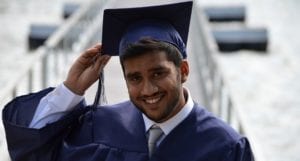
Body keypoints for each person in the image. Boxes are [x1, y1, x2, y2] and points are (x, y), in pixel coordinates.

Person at [2, 1, 254, 161]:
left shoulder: (226, 147)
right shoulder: (98, 127)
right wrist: (71, 90)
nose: (148, 89)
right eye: (135, 78)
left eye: (158, 73)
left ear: (184, 70)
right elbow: (33, 153)